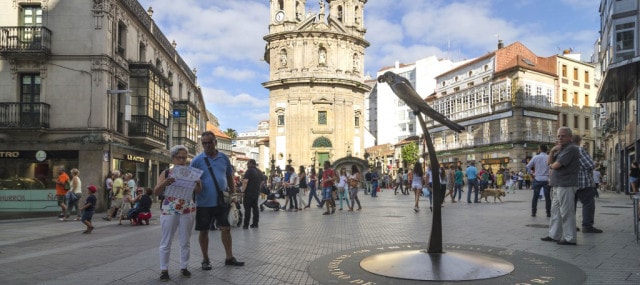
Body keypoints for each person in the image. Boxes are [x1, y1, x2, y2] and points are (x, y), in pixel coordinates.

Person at [190, 131, 243, 269]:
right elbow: (190, 181)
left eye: (210, 142)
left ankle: (229, 257)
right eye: (204, 143)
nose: (207, 145)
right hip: (203, 203)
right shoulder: (197, 161)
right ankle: (205, 259)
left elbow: (230, 177)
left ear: (215, 142)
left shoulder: (224, 158)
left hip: (222, 201)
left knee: (226, 229)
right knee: (204, 231)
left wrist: (234, 194)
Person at [155, 145, 201, 281]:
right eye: (179, 157)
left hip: (187, 209)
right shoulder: (166, 173)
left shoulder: (191, 172)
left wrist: (198, 182)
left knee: (185, 240)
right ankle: (164, 269)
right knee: (166, 241)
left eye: (184, 158)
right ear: (173, 158)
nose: (182, 160)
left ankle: (184, 267)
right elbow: (156, 191)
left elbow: (198, 191)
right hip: (170, 209)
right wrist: (164, 183)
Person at [541, 127, 580, 245]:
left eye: (563, 136)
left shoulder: (572, 148)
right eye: (558, 136)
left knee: (567, 212)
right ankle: (554, 235)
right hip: (558, 185)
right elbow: (549, 162)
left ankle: (570, 238)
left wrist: (552, 165)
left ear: (570, 137)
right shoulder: (560, 149)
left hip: (566, 184)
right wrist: (552, 151)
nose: (560, 138)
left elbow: (556, 165)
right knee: (555, 212)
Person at [572, 135, 603, 234]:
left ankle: (570, 225)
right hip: (583, 182)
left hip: (570, 183)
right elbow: (589, 165)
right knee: (588, 203)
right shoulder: (579, 150)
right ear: (579, 141)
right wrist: (596, 163)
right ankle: (587, 226)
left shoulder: (566, 150)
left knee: (571, 205)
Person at [527, 145, 551, 217]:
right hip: (546, 179)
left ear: (540, 149)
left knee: (535, 196)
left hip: (537, 178)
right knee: (547, 197)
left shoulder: (535, 157)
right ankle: (548, 212)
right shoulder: (549, 157)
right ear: (546, 150)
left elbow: (528, 166)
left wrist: (532, 174)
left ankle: (534, 212)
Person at [241, 159, 261, 229]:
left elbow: (245, 181)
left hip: (249, 193)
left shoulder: (249, 171)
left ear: (251, 163)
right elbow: (261, 182)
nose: (247, 165)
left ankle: (246, 225)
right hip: (256, 193)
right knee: (255, 208)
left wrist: (243, 191)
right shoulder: (259, 171)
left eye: (248, 163)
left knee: (247, 209)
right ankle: (255, 224)